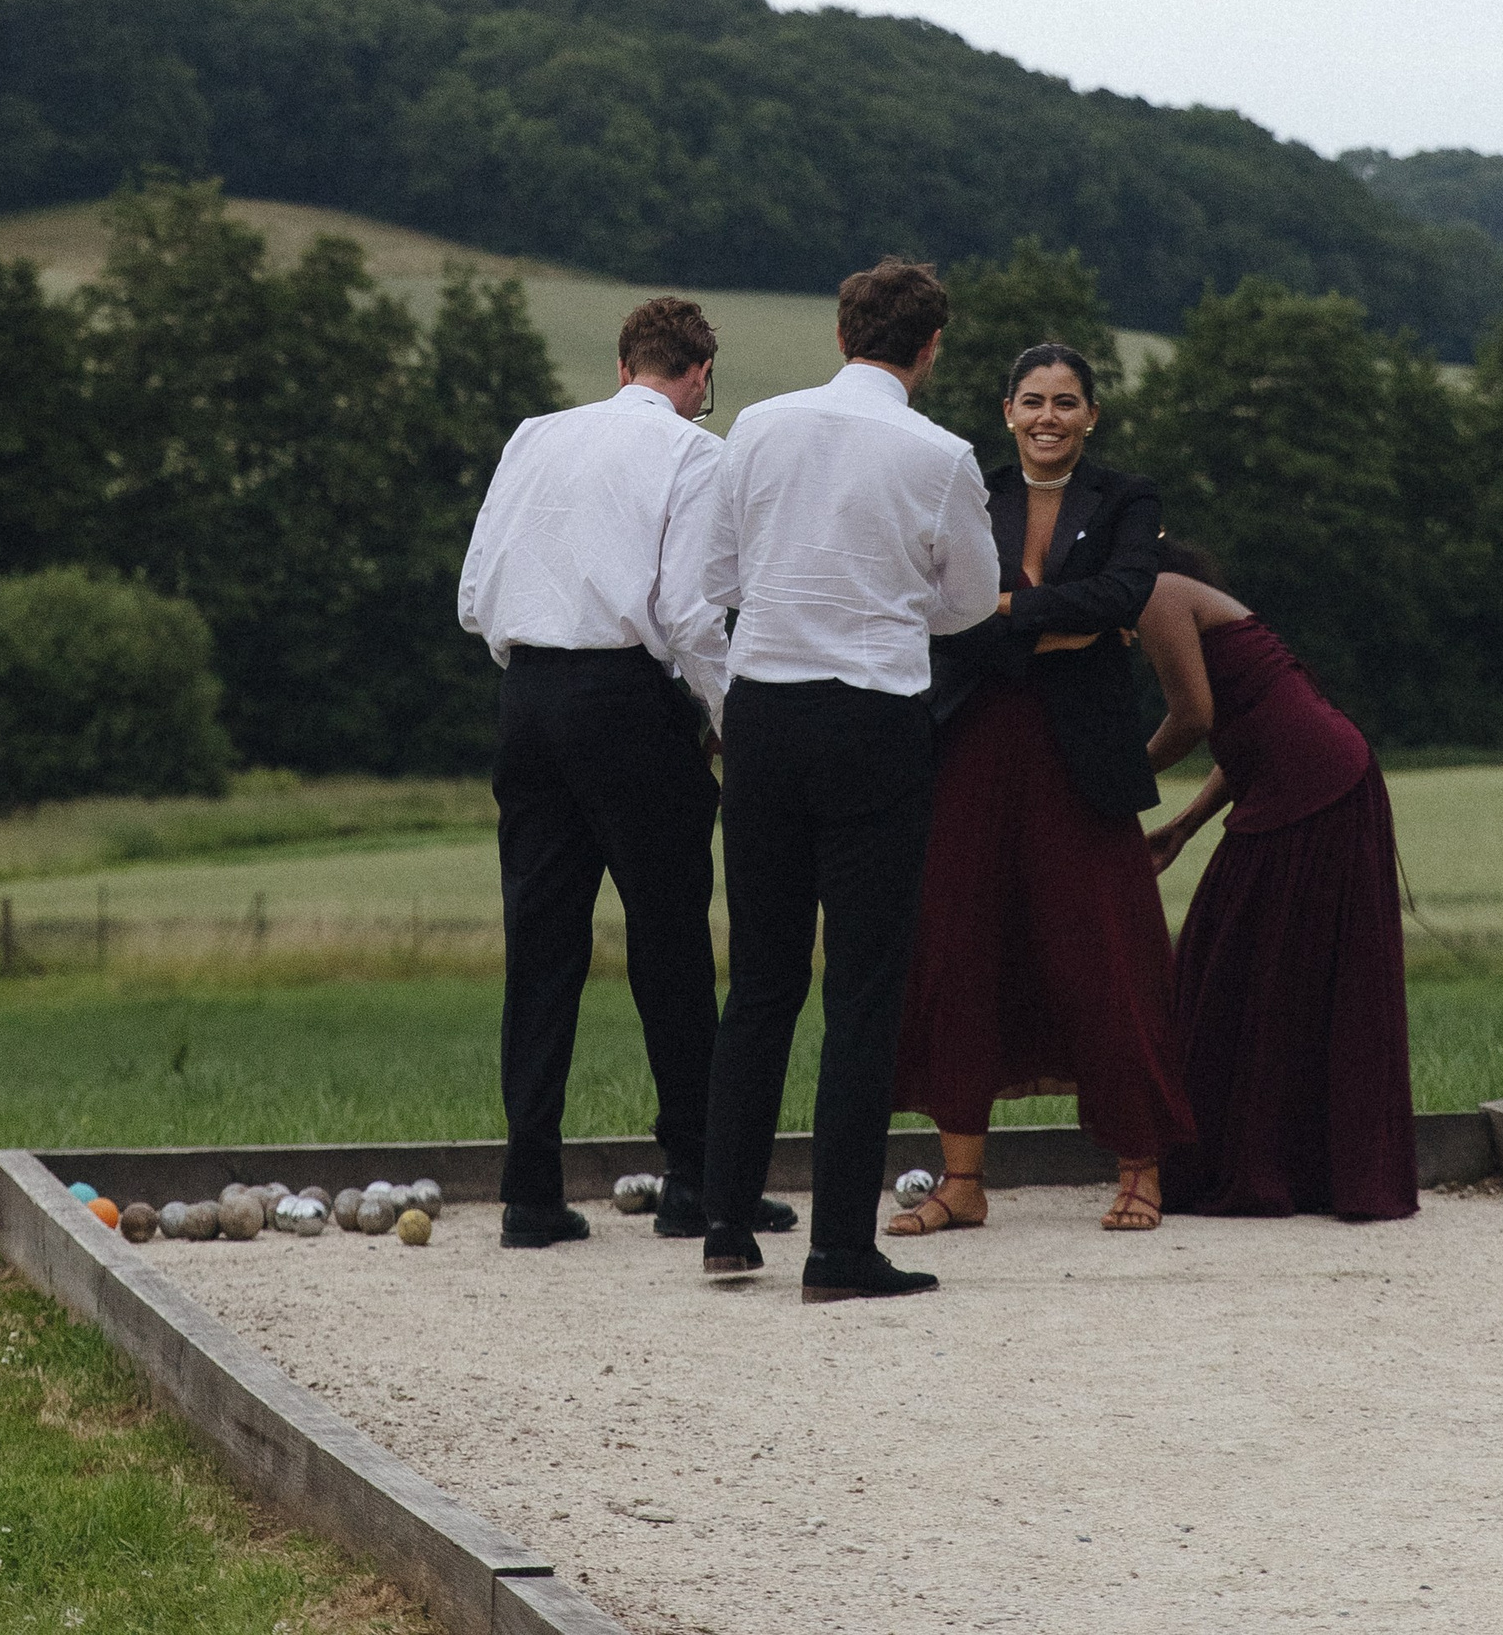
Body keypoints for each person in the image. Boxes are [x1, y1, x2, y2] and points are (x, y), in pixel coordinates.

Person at [656, 255, 1000, 1303]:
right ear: (928, 349)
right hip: (873, 715)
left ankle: (725, 1220)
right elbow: (970, 601)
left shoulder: (757, 426)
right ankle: (839, 1246)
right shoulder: (940, 454)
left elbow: (715, 577)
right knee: (862, 987)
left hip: (762, 711)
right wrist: (889, 597)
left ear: (841, 334)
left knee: (762, 977)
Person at [459, 295, 795, 1251]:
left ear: (621, 366)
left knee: (539, 946)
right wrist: (731, 717)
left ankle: (530, 1192)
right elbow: (688, 614)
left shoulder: (534, 436)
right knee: (670, 944)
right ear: (699, 377)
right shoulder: (695, 454)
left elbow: (476, 595)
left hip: (526, 699)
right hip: (627, 706)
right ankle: (697, 1180)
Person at [888, 340, 1193, 1240]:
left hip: (1082, 760)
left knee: (1108, 953)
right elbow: (941, 618)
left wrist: (1009, 609)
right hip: (973, 747)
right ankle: (962, 1181)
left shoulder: (1128, 497)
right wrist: (1058, 626)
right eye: (1032, 401)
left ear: (1092, 415)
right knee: (959, 947)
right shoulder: (971, 494)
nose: (1048, 418)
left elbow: (1123, 596)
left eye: (1065, 402)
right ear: (1008, 412)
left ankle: (1140, 1167)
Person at [1138, 541, 1418, 1220]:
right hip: (1309, 783)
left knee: (1238, 963)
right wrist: (1185, 826)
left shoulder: (1159, 592)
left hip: (1318, 790)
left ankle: (1263, 1167)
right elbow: (1247, 732)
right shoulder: (1190, 599)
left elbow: (1194, 717)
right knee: (1248, 967)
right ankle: (1288, 1166)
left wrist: (1117, 776)